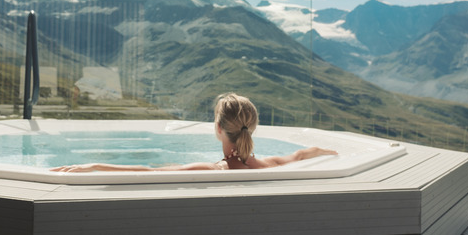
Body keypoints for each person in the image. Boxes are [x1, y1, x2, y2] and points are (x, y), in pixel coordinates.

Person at [50, 93, 337, 173]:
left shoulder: (214, 169)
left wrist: (96, 165)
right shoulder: (273, 164)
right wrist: (329, 151)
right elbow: (302, 153)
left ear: (218, 128)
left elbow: (148, 172)